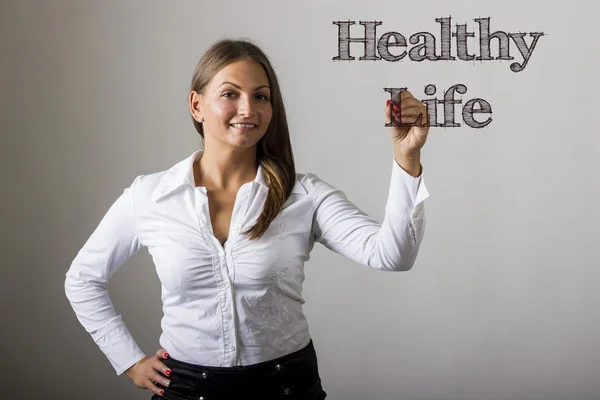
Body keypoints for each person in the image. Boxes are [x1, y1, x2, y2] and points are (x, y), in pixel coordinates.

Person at [64, 38, 431, 399]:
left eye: (261, 96)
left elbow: (392, 255)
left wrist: (407, 158)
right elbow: (82, 279)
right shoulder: (150, 196)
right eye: (230, 94)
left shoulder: (304, 195)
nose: (248, 109)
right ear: (197, 105)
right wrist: (129, 361)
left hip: (286, 387)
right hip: (187, 390)